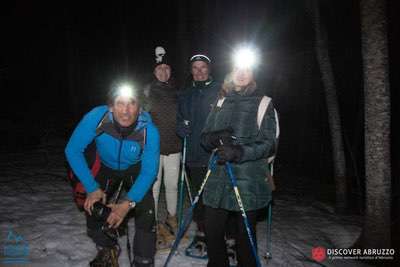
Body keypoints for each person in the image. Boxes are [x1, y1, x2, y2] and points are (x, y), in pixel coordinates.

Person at [65, 83, 160, 267]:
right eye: (120, 103)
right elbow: (73, 150)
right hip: (106, 167)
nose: (126, 110)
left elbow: (149, 171)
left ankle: (143, 260)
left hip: (135, 169)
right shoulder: (97, 117)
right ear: (110, 106)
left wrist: (128, 203)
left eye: (132, 103)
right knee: (92, 207)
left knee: (146, 211)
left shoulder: (149, 130)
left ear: (139, 107)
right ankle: (107, 249)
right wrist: (92, 188)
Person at [200, 48, 277, 267]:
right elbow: (204, 139)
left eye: (247, 69)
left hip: (248, 180)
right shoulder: (221, 101)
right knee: (213, 232)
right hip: (217, 177)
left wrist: (240, 152)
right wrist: (215, 137)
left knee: (245, 240)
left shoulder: (263, 103)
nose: (241, 73)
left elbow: (269, 144)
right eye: (237, 68)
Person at [176, 54, 220, 258]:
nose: (200, 71)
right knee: (199, 198)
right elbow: (179, 118)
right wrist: (180, 127)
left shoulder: (221, 90)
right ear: (191, 70)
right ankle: (202, 234)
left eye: (203, 67)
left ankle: (225, 237)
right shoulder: (186, 94)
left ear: (209, 69)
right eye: (195, 68)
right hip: (194, 153)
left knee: (219, 198)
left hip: (217, 154)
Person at [143, 46, 181, 250]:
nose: (163, 72)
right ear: (154, 71)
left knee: (172, 185)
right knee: (154, 186)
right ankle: (154, 222)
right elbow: (139, 116)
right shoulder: (147, 91)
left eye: (167, 68)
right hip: (153, 148)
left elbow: (184, 114)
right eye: (160, 69)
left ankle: (172, 218)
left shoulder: (178, 91)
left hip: (174, 145)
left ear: (171, 70)